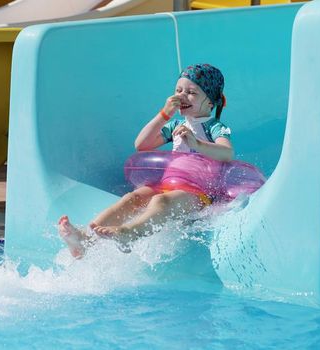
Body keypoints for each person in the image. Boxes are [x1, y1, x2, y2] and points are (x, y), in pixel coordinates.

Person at [58, 63, 233, 258]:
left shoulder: (215, 127)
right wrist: (164, 114)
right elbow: (141, 144)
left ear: (211, 102)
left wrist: (197, 144)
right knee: (133, 198)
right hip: (169, 184)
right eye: (178, 90)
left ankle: (130, 233)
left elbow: (227, 152)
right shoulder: (176, 125)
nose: (182, 95)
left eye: (191, 92)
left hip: (197, 195)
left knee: (161, 201)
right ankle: (85, 238)